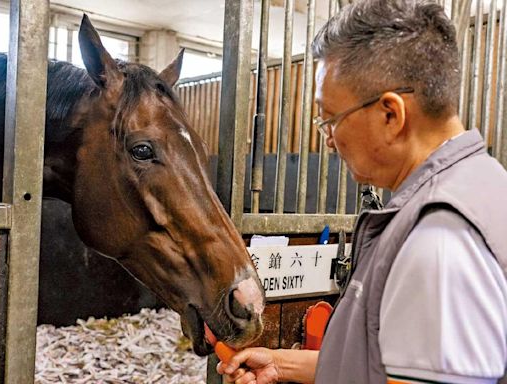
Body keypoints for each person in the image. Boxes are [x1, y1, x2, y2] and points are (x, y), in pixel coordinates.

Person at [216, 0, 507, 383]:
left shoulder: (438, 237)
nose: (330, 140)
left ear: (391, 115)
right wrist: (281, 364)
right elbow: (383, 366)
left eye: (331, 119)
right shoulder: (485, 184)